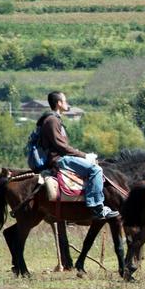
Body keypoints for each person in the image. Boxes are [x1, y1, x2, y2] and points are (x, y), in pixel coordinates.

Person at [39, 91, 119, 220]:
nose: (67, 103)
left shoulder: (53, 119)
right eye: (65, 101)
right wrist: (84, 156)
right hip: (59, 159)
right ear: (59, 103)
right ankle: (97, 207)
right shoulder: (52, 121)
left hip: (61, 157)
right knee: (96, 169)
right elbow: (62, 147)